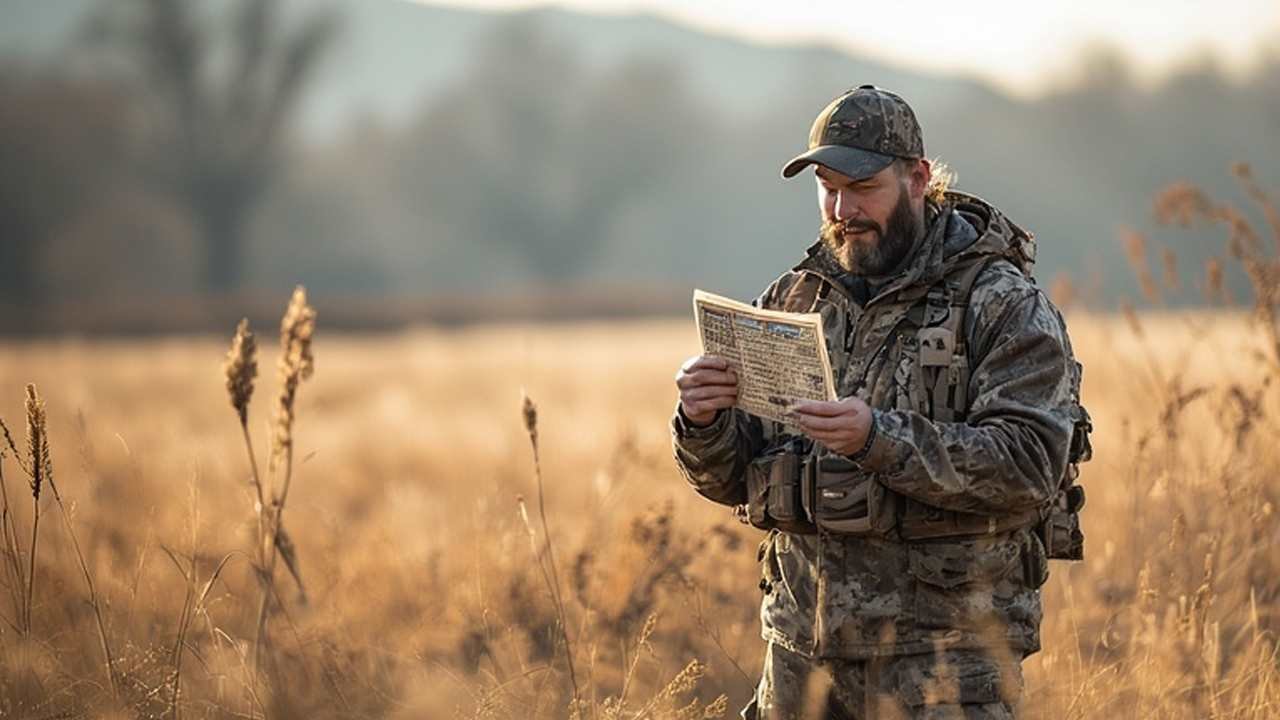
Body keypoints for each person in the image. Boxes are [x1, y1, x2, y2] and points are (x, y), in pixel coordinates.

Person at [670, 85, 1090, 719]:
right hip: (801, 658)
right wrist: (702, 422)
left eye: (862, 187)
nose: (842, 209)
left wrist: (877, 438)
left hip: (947, 663)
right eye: (828, 188)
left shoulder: (1002, 303)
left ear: (917, 178)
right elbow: (732, 478)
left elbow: (1030, 465)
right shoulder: (792, 299)